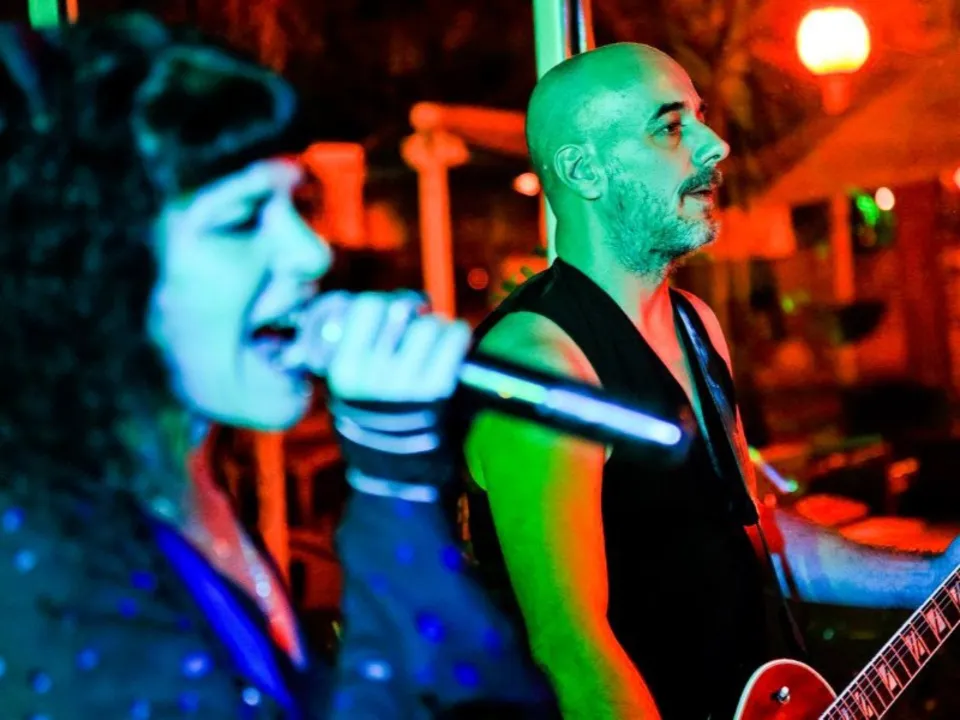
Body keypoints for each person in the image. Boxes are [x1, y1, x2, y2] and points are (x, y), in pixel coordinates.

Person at [0, 14, 552, 719]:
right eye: (241, 220)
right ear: (97, 272)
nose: (311, 253)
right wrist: (393, 478)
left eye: (300, 204)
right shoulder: (41, 552)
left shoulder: (181, 486)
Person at [463, 42, 960, 719]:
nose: (715, 144)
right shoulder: (543, 364)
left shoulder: (695, 324)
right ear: (584, 170)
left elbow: (748, 531)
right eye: (671, 127)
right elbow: (571, 649)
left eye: (700, 117)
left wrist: (930, 580)